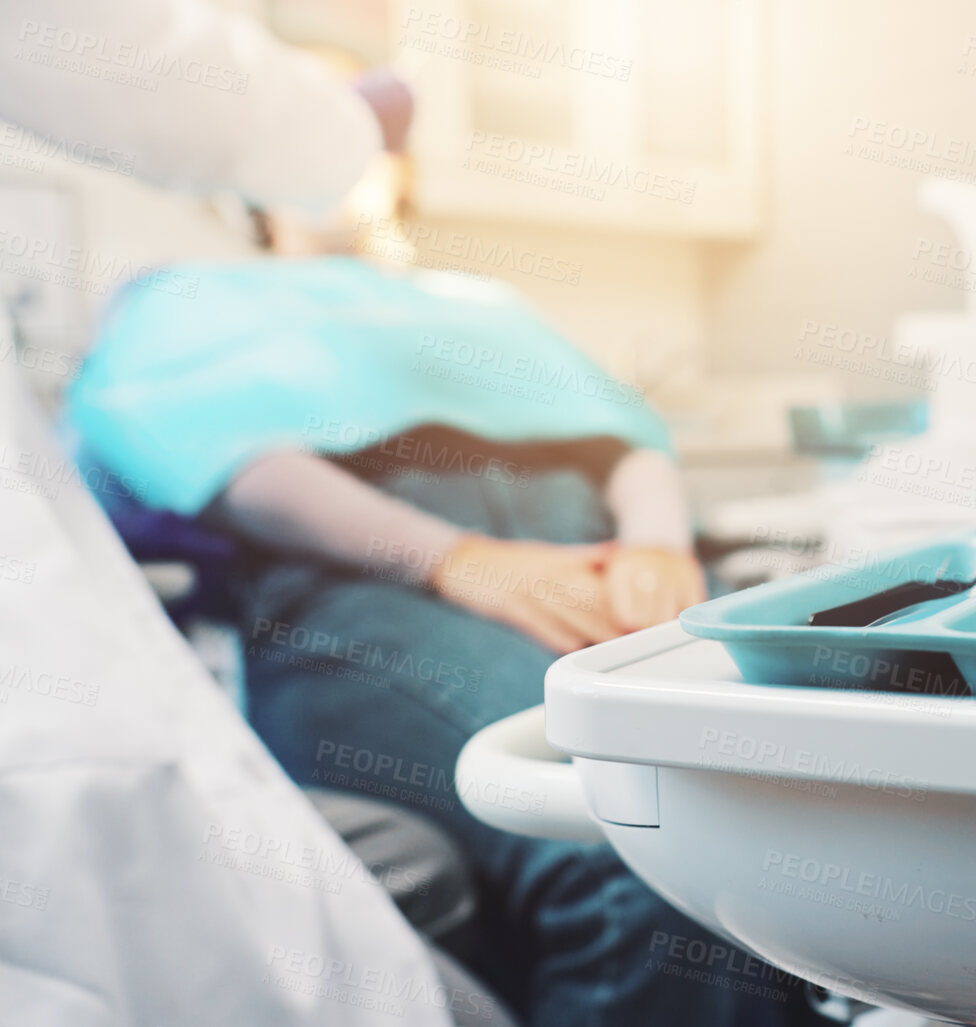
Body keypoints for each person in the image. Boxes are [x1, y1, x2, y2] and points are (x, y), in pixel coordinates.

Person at [65, 254, 828, 1027]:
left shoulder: (467, 301)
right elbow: (216, 453)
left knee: (833, 801)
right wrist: (453, 559)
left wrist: (656, 545)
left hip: (600, 547)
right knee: (638, 849)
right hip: (365, 570)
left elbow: (623, 431)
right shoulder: (179, 301)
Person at [0, 0, 457, 1023]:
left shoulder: (459, 302)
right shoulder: (186, 305)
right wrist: (347, 120)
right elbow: (131, 55)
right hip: (361, 600)